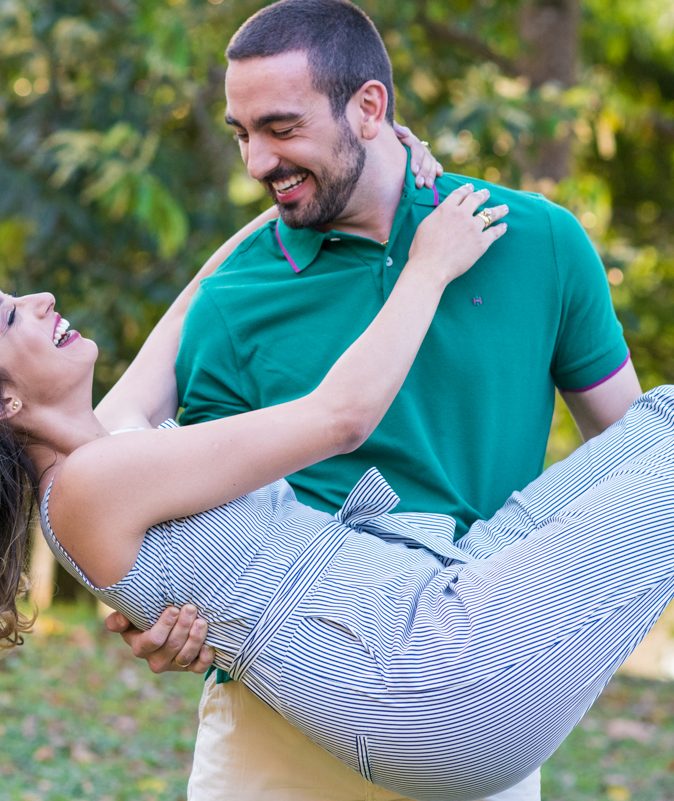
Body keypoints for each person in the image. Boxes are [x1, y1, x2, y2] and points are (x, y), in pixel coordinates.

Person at [0, 184, 674, 801]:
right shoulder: (95, 483)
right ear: (0, 399)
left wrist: (313, 182)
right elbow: (339, 417)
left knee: (660, 425)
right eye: (7, 316)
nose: (39, 299)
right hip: (432, 677)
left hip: (434, 602)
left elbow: (193, 304)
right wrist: (429, 265)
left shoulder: (108, 445)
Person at [101, 2, 642, 798]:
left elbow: (632, 460)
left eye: (280, 128)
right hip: (277, 734)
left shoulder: (539, 242)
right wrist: (165, 615)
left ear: (369, 107)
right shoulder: (235, 297)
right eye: (241, 133)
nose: (256, 161)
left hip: (472, 711)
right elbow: (194, 505)